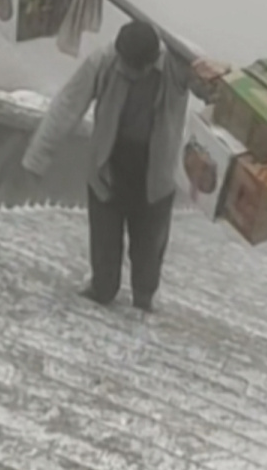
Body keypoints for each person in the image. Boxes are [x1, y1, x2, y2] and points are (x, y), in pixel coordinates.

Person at [22, 20, 228, 311]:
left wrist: (212, 79)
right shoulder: (104, 61)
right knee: (104, 260)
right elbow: (68, 104)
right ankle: (101, 288)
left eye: (136, 69)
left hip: (155, 173)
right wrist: (38, 156)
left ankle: (144, 299)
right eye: (126, 66)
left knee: (148, 258)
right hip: (109, 167)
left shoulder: (176, 63)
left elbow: (209, 90)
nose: (129, 73)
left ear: (151, 62)